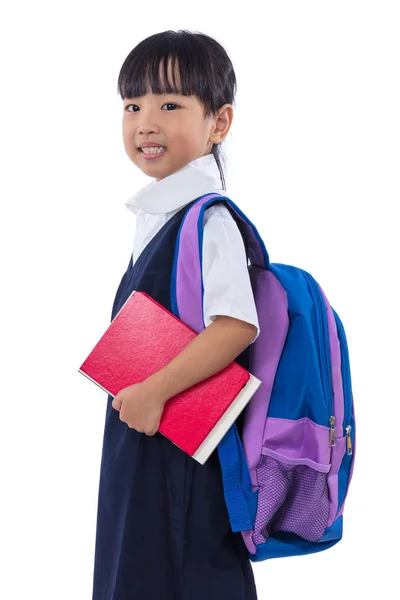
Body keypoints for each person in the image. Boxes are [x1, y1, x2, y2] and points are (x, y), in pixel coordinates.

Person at [92, 29, 260, 600]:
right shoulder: (160, 218)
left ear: (219, 123)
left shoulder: (208, 219)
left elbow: (237, 326)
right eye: (132, 105)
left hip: (182, 457)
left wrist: (156, 390)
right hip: (147, 441)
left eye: (170, 104)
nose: (145, 123)